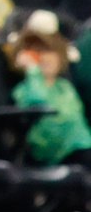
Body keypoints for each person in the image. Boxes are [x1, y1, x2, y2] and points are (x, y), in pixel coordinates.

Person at [11, 10, 91, 167]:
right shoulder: (24, 88)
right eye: (36, 52)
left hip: (80, 147)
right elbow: (36, 101)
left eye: (49, 50)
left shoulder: (65, 86)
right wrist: (32, 71)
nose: (44, 57)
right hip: (53, 154)